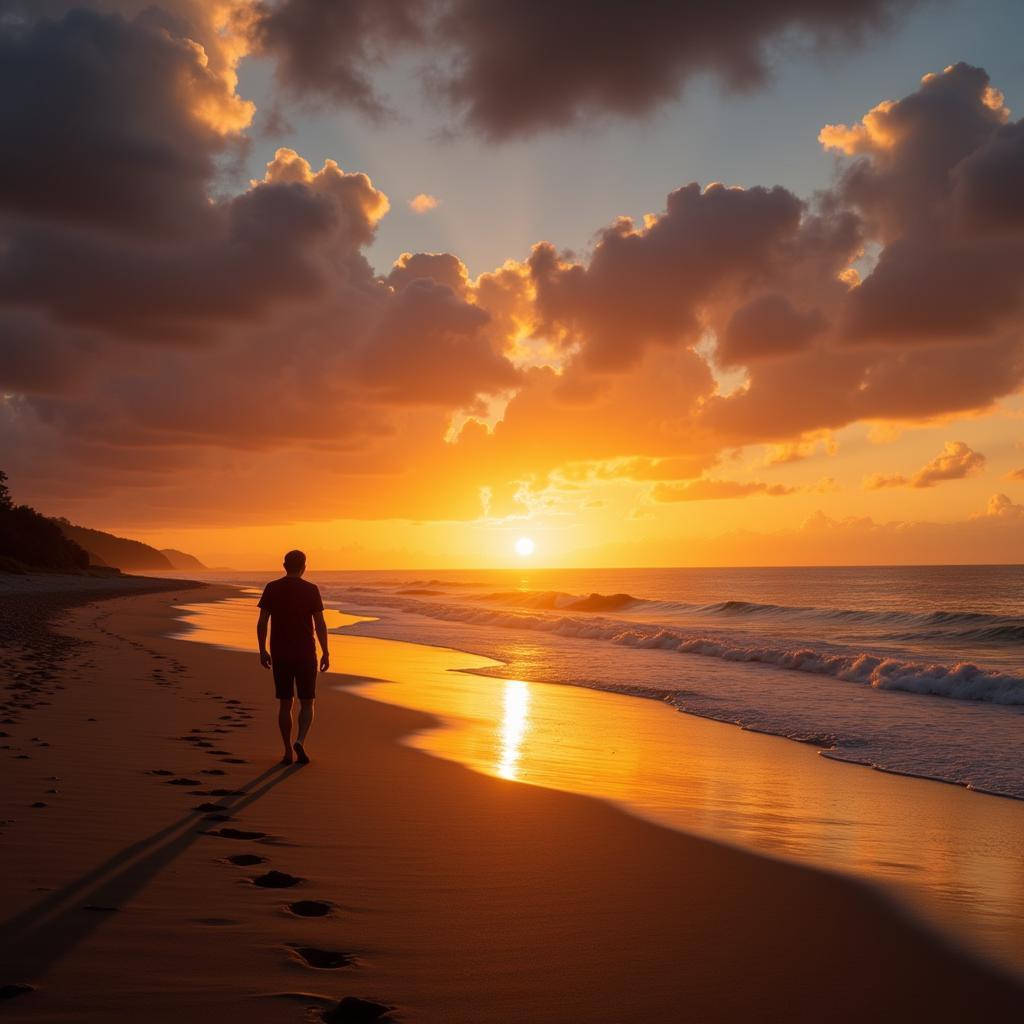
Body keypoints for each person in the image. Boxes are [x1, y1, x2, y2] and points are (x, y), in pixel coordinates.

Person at [257, 549, 329, 765]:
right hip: (306, 653)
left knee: (285, 703)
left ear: (284, 565)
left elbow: (262, 622)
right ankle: (300, 739)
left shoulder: (272, 588)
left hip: (280, 653)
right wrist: (326, 651)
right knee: (307, 702)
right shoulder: (311, 590)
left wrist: (262, 650)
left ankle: (288, 750)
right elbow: (320, 624)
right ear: (304, 567)